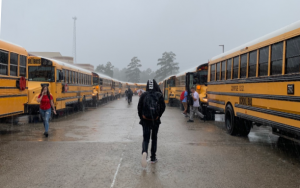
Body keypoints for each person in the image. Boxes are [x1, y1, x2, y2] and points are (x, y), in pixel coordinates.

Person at [138, 79, 166, 167]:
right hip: (155, 120)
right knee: (154, 138)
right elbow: (163, 107)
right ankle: (153, 157)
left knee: (146, 138)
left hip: (145, 120)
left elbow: (139, 107)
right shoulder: (159, 95)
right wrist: (158, 115)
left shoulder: (143, 95)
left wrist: (142, 117)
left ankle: (144, 152)